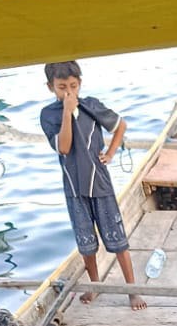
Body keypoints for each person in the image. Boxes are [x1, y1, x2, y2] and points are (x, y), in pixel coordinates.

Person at [40, 61, 145, 310]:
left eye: (73, 86)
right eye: (62, 87)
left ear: (80, 84)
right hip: (74, 188)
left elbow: (120, 125)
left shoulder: (90, 105)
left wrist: (110, 153)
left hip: (100, 183)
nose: (69, 92)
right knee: (86, 241)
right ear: (50, 87)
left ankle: (132, 290)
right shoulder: (49, 115)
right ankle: (95, 285)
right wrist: (67, 113)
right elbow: (64, 147)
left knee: (117, 239)